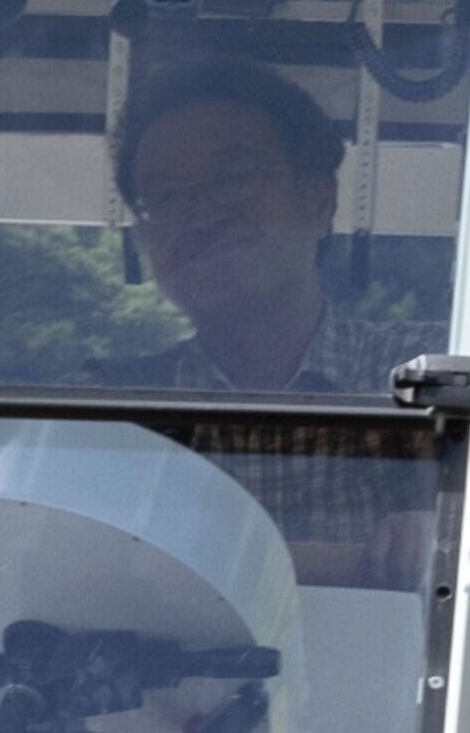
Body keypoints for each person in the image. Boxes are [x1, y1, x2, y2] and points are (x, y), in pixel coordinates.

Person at [100, 58, 435, 577]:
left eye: (231, 178)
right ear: (145, 239)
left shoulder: (422, 374)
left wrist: (442, 525)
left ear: (319, 201)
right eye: (165, 196)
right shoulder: (106, 409)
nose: (200, 214)